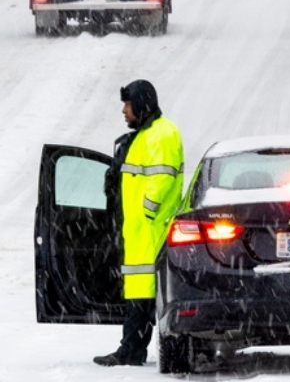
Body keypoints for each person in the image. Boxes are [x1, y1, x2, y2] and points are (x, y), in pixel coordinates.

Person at [93, 79, 185, 367]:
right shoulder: (146, 135)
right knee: (139, 297)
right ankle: (131, 349)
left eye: (128, 104)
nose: (124, 110)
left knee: (143, 298)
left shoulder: (163, 134)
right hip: (139, 233)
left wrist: (147, 211)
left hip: (151, 231)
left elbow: (162, 178)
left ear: (142, 104)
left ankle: (130, 350)